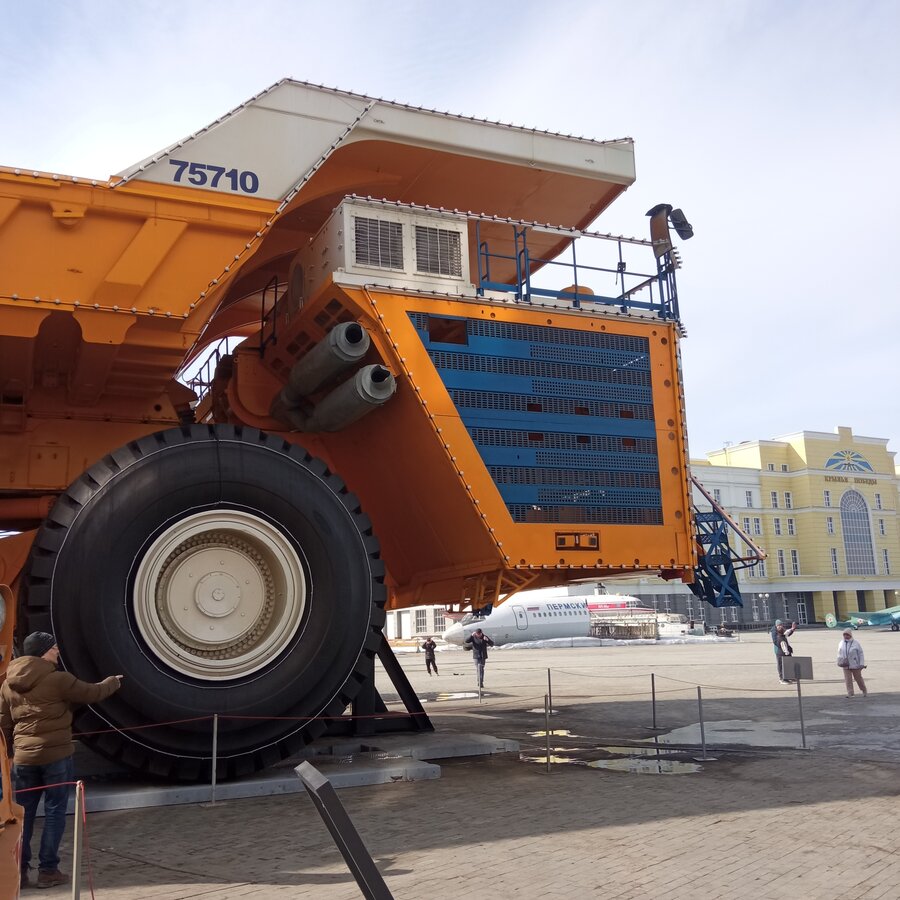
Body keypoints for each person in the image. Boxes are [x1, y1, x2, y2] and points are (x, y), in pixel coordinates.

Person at [0, 632, 123, 890]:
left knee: (23, 815)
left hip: (24, 759)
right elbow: (92, 693)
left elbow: (4, 724)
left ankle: (19, 871)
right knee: (55, 811)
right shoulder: (58, 680)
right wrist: (113, 682)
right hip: (56, 756)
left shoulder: (8, 683)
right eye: (53, 647)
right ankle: (48, 871)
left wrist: (9, 755)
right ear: (43, 651)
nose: (57, 651)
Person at [837, 629, 868, 698]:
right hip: (845, 664)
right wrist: (839, 661)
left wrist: (861, 663)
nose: (845, 636)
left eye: (847, 635)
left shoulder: (856, 643)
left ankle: (864, 690)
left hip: (855, 664)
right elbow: (839, 653)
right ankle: (850, 693)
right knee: (848, 679)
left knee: (858, 678)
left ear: (850, 635)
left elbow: (861, 654)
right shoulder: (841, 643)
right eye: (844, 635)